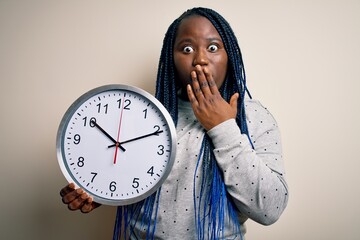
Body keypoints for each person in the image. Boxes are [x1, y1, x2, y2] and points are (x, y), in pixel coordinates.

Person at [60, 7, 289, 239]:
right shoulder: (145, 113)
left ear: (229, 55)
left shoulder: (253, 117)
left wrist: (222, 128)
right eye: (187, 49)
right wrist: (102, 193)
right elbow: (129, 175)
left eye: (213, 47)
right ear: (171, 58)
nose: (200, 59)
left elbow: (270, 209)